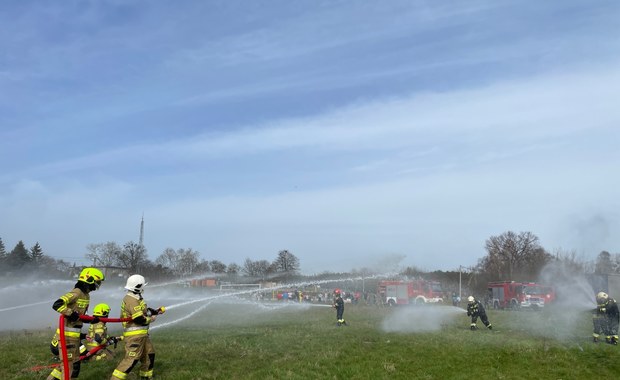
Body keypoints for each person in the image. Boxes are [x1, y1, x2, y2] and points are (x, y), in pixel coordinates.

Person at [47, 267, 105, 380]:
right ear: (89, 280)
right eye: (96, 282)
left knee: (69, 366)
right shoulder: (76, 292)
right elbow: (57, 304)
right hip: (66, 338)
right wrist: (70, 313)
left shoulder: (86, 296)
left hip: (74, 338)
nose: (97, 286)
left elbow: (80, 316)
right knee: (70, 368)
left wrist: (92, 320)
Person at [110, 274, 165, 380]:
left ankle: (146, 377)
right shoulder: (131, 300)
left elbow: (142, 311)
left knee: (149, 355)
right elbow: (139, 319)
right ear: (138, 286)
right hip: (134, 336)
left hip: (142, 335)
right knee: (131, 359)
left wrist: (154, 311)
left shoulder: (136, 297)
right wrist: (151, 319)